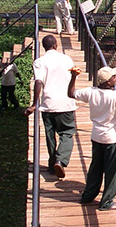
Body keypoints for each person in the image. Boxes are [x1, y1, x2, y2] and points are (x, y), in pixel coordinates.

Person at [67, 65, 116, 211]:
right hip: (112, 139)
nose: (115, 78)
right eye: (113, 77)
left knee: (95, 167)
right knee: (111, 171)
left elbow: (71, 93)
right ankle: (107, 202)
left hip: (96, 136)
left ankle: (88, 196)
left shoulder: (91, 92)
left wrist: (73, 77)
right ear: (108, 82)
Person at [25, 35, 77, 178]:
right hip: (65, 103)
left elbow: (38, 82)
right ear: (55, 45)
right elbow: (72, 76)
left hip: (48, 104)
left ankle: (52, 163)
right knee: (66, 133)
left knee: (50, 135)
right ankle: (60, 160)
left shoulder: (39, 62)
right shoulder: (67, 59)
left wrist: (34, 104)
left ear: (44, 47)